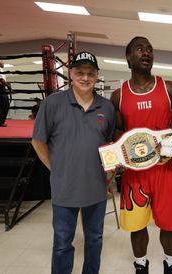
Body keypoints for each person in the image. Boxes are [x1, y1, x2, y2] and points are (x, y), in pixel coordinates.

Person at [110, 36, 172, 274]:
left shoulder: (169, 87)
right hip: (135, 173)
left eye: (150, 50)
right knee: (136, 224)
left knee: (169, 223)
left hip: (163, 169)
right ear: (128, 56)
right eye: (140, 48)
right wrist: (118, 153)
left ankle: (170, 265)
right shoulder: (119, 95)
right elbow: (118, 130)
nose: (146, 53)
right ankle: (141, 266)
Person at [32, 51, 115, 274]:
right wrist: (56, 168)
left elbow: (109, 144)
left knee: (95, 241)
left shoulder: (107, 108)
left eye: (90, 73)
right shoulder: (52, 104)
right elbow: (38, 142)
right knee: (61, 245)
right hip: (64, 188)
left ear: (97, 75)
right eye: (80, 72)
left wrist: (109, 171)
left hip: (96, 189)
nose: (85, 77)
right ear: (71, 74)